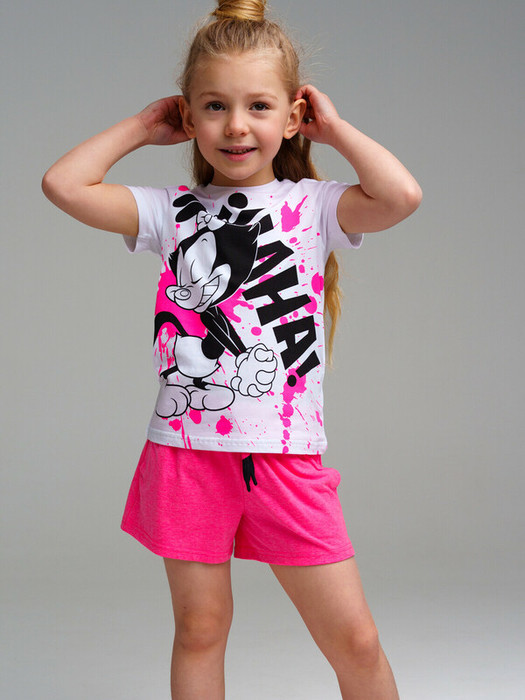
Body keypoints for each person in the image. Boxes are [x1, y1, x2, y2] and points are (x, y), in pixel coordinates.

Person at [42, 0, 421, 697]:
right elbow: (62, 185)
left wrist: (335, 129)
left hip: (283, 457)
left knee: (356, 641)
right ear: (189, 118)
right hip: (186, 456)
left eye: (258, 106)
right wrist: (141, 126)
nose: (236, 125)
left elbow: (400, 195)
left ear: (292, 116)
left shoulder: (313, 206)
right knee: (200, 629)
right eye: (214, 106)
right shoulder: (171, 211)